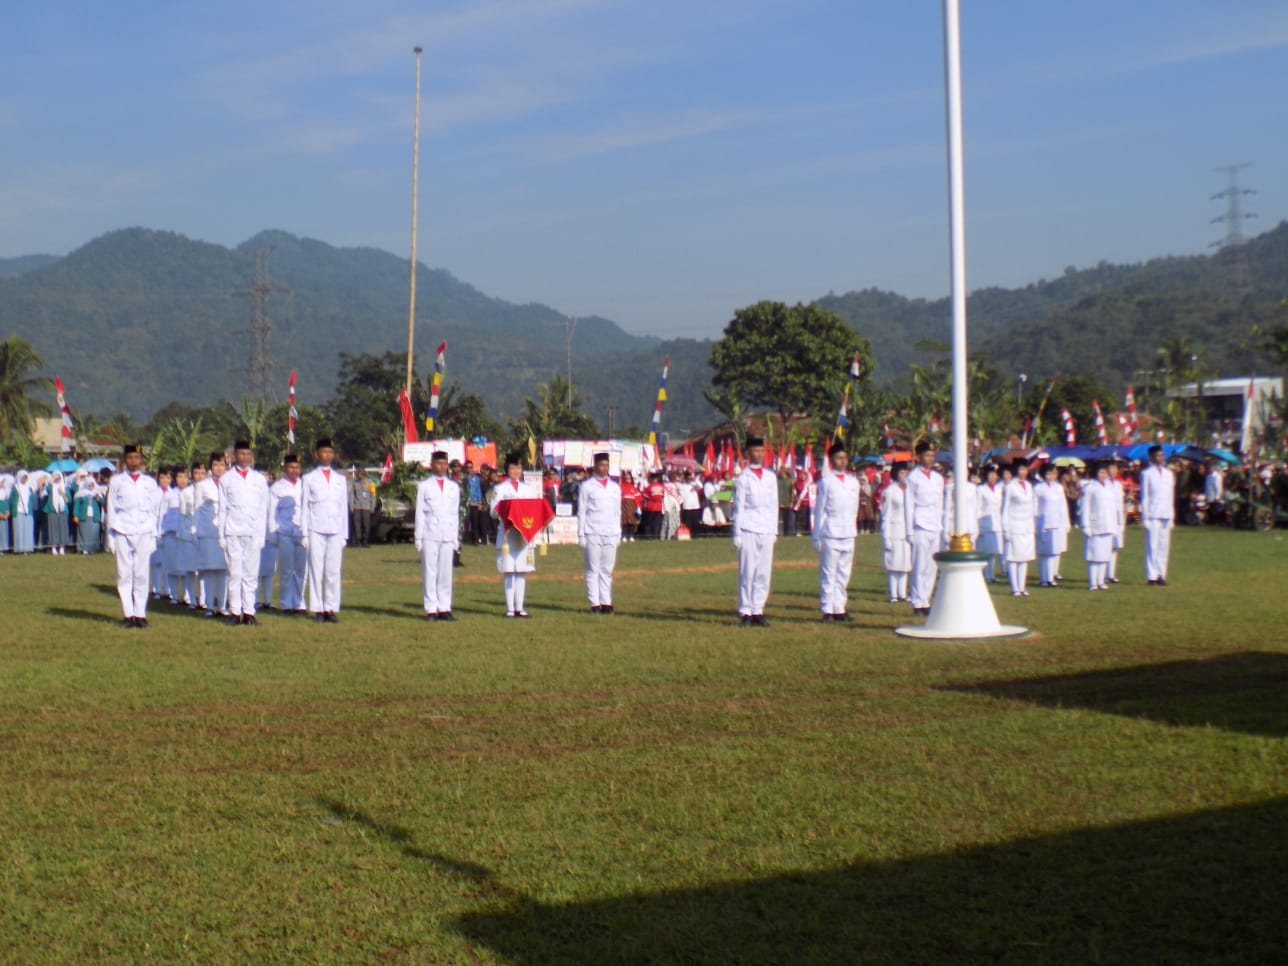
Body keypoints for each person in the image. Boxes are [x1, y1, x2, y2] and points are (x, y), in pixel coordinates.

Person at [106, 444, 163, 628]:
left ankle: (140, 613)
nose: (133, 461)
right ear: (125, 460)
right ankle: (128, 614)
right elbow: (111, 509)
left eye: (137, 457)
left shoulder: (149, 483)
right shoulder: (117, 481)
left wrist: (154, 535)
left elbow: (155, 510)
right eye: (130, 457)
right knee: (124, 574)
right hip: (122, 529)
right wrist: (110, 536)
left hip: (144, 530)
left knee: (141, 574)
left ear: (141, 460)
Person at [217, 441, 270, 626]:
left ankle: (249, 612)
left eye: (248, 454)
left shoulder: (259, 480)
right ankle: (234, 611)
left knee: (250, 574)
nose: (245, 457)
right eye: (241, 454)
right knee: (234, 574)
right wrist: (221, 535)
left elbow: (263, 509)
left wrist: (262, 535)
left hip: (253, 532)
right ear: (234, 456)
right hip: (233, 531)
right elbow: (222, 509)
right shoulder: (226, 479)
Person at [301, 438, 349, 623]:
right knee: (316, 570)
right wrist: (304, 533)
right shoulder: (309, 478)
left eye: (330, 452)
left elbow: (343, 508)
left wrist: (344, 534)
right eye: (323, 452)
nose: (327, 455)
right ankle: (318, 608)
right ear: (317, 454)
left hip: (335, 529)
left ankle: (330, 607)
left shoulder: (340, 479)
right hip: (315, 528)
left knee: (333, 571)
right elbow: (305, 507)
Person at [731, 435, 778, 627]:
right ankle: (746, 611)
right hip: (748, 527)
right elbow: (739, 507)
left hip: (766, 528)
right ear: (748, 453)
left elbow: (774, 505)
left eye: (761, 451)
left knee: (763, 572)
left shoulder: (770, 477)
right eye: (755, 451)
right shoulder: (743, 478)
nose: (758, 454)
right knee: (748, 571)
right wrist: (737, 533)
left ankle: (758, 609)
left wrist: (774, 530)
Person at [813, 442, 860, 622]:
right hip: (831, 531)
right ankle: (827, 608)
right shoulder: (826, 481)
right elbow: (820, 509)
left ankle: (839, 607)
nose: (843, 461)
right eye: (839, 458)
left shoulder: (853, 482)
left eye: (845, 458)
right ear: (832, 460)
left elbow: (855, 507)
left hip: (848, 531)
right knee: (829, 572)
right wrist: (817, 535)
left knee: (843, 572)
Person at [489, 453, 539, 617]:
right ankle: (510, 608)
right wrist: (506, 509)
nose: (516, 471)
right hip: (507, 535)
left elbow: (534, 510)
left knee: (521, 571)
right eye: (512, 468)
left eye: (518, 467)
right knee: (509, 571)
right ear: (507, 469)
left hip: (524, 535)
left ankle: (520, 607)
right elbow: (493, 512)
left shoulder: (528, 489)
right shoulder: (500, 489)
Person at [415, 450, 461, 621]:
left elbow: (455, 514)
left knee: (445, 573)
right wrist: (418, 537)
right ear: (432, 464)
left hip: (447, 533)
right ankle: (431, 608)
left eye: (444, 463)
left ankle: (444, 607)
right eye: (439, 463)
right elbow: (420, 513)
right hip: (430, 532)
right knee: (430, 571)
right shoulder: (424, 486)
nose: (442, 467)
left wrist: (455, 537)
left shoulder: (453, 487)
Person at [578, 451, 622, 614]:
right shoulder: (587, 486)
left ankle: (606, 602)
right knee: (593, 569)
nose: (604, 468)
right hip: (592, 532)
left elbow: (617, 512)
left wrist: (618, 533)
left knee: (607, 570)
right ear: (595, 466)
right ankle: (595, 603)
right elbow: (582, 511)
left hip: (610, 532)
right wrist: (581, 534)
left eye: (606, 465)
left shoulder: (614, 487)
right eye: (601, 465)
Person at [904, 442, 944, 617]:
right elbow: (909, 504)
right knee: (919, 564)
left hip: (934, 524)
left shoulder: (937, 478)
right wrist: (909, 530)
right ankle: (917, 601)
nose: (930, 459)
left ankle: (926, 599)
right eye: (927, 455)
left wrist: (941, 525)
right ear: (919, 457)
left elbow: (940, 503)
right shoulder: (913, 477)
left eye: (932, 455)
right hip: (919, 523)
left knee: (931, 565)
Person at [268, 454, 308, 614]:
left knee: (301, 570)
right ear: (285, 468)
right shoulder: (277, 487)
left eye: (297, 467)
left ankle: (299, 602)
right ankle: (286, 603)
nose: (294, 470)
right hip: (284, 532)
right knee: (286, 569)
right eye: (291, 467)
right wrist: (273, 533)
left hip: (302, 532)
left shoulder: (305, 485)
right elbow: (272, 512)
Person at [193, 455, 228, 617]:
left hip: (226, 532)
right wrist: (196, 532)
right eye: (215, 464)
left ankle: (221, 606)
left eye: (222, 464)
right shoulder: (202, 485)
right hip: (207, 532)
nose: (219, 468)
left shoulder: (230, 483)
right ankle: (208, 606)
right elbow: (197, 510)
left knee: (223, 572)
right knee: (208, 571)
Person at [1140, 445, 1176, 586]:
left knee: (1164, 546)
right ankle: (1152, 575)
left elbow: (1170, 495)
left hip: (1166, 512)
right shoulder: (1147, 474)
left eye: (1162, 455)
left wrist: (1172, 515)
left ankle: (1161, 574)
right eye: (1158, 455)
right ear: (1152, 457)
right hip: (1153, 513)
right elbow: (1145, 497)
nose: (1161, 458)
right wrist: (1145, 517)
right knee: (1152, 546)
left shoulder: (1168, 473)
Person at [1080, 463, 1119, 591]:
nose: (1103, 475)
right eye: (1101, 472)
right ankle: (1093, 582)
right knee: (1094, 555)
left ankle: (1101, 581)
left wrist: (1115, 525)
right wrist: (1086, 525)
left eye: (1105, 473)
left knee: (1104, 555)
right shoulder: (1090, 488)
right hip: (1095, 525)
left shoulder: (1110, 488)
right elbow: (1085, 507)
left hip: (1108, 525)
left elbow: (1113, 508)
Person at [1002, 459, 1036, 597]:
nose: (1023, 472)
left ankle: (1022, 587)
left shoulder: (1029, 485)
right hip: (1014, 525)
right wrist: (1006, 528)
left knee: (1024, 557)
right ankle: (1014, 587)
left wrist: (1033, 526)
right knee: (1013, 557)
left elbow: (1032, 507)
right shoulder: (1010, 486)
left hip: (1027, 526)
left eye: (1025, 469)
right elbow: (1005, 509)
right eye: (1021, 469)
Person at [880, 463, 912, 604]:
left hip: (906, 532)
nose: (904, 475)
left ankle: (902, 594)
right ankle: (893, 594)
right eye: (901, 473)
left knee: (905, 564)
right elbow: (885, 515)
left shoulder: (909, 490)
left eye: (906, 472)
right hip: (894, 531)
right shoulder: (890, 491)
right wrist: (886, 536)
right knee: (894, 564)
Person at [1035, 463, 1070, 588]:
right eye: (1049, 473)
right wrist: (1035, 524)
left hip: (1057, 523)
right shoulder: (1038, 488)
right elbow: (1035, 507)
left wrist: (1066, 523)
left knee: (1054, 552)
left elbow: (1063, 506)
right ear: (1044, 474)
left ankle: (1050, 578)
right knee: (1044, 552)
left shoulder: (1059, 488)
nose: (1052, 476)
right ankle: (1043, 579)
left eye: (1054, 473)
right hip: (1043, 523)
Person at [976, 465, 1005, 582]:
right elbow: (978, 507)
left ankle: (991, 574)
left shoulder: (999, 489)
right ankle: (985, 575)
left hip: (996, 522)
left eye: (994, 475)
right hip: (984, 522)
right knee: (986, 551)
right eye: (990, 475)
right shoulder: (981, 489)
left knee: (993, 551)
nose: (993, 477)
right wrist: (978, 525)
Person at [72, 477, 103, 554]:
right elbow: (77, 505)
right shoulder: (81, 494)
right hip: (84, 516)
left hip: (94, 517)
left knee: (93, 533)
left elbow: (103, 502)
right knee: (84, 533)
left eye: (92, 485)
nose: (91, 486)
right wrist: (75, 515)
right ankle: (84, 548)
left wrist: (98, 498)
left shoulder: (96, 493)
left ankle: (93, 548)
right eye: (89, 485)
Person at [1107, 461, 1126, 584]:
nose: (1113, 471)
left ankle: (1111, 574)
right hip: (1107, 517)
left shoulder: (1118, 484)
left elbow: (1121, 502)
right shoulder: (1104, 484)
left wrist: (1122, 519)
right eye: (1111, 469)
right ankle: (1103, 573)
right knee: (1105, 546)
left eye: (1115, 469)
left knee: (1114, 547)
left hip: (1117, 518)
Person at [349, 467, 377, 547]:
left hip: (366, 507)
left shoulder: (370, 483)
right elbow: (352, 495)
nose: (359, 476)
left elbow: (373, 495)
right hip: (357, 506)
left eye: (360, 474)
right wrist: (351, 505)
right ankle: (358, 541)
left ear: (363, 474)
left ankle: (365, 541)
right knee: (356, 524)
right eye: (358, 474)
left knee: (366, 524)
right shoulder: (354, 483)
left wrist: (372, 506)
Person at [9, 471, 35, 554]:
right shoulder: (15, 488)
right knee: (19, 530)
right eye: (23, 477)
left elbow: (31, 500)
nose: (24, 479)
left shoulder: (29, 488)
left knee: (28, 530)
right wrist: (13, 510)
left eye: (26, 478)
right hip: (18, 511)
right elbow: (12, 500)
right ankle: (19, 549)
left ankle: (27, 549)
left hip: (28, 512)